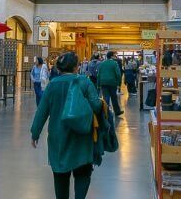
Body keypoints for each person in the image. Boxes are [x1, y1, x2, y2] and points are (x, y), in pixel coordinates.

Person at [31, 52, 102, 199]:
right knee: (82, 172)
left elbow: (42, 111)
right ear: (77, 67)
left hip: (58, 136)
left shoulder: (52, 85)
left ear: (59, 68)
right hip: (82, 135)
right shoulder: (85, 82)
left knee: (60, 174)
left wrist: (35, 132)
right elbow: (96, 105)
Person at [97, 51, 123, 116]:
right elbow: (118, 74)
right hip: (112, 82)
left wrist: (98, 84)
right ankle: (117, 111)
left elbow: (98, 74)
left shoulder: (102, 63)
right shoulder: (114, 63)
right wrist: (119, 83)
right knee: (114, 97)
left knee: (106, 97)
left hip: (103, 82)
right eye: (114, 55)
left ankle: (106, 112)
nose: (115, 56)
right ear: (111, 56)